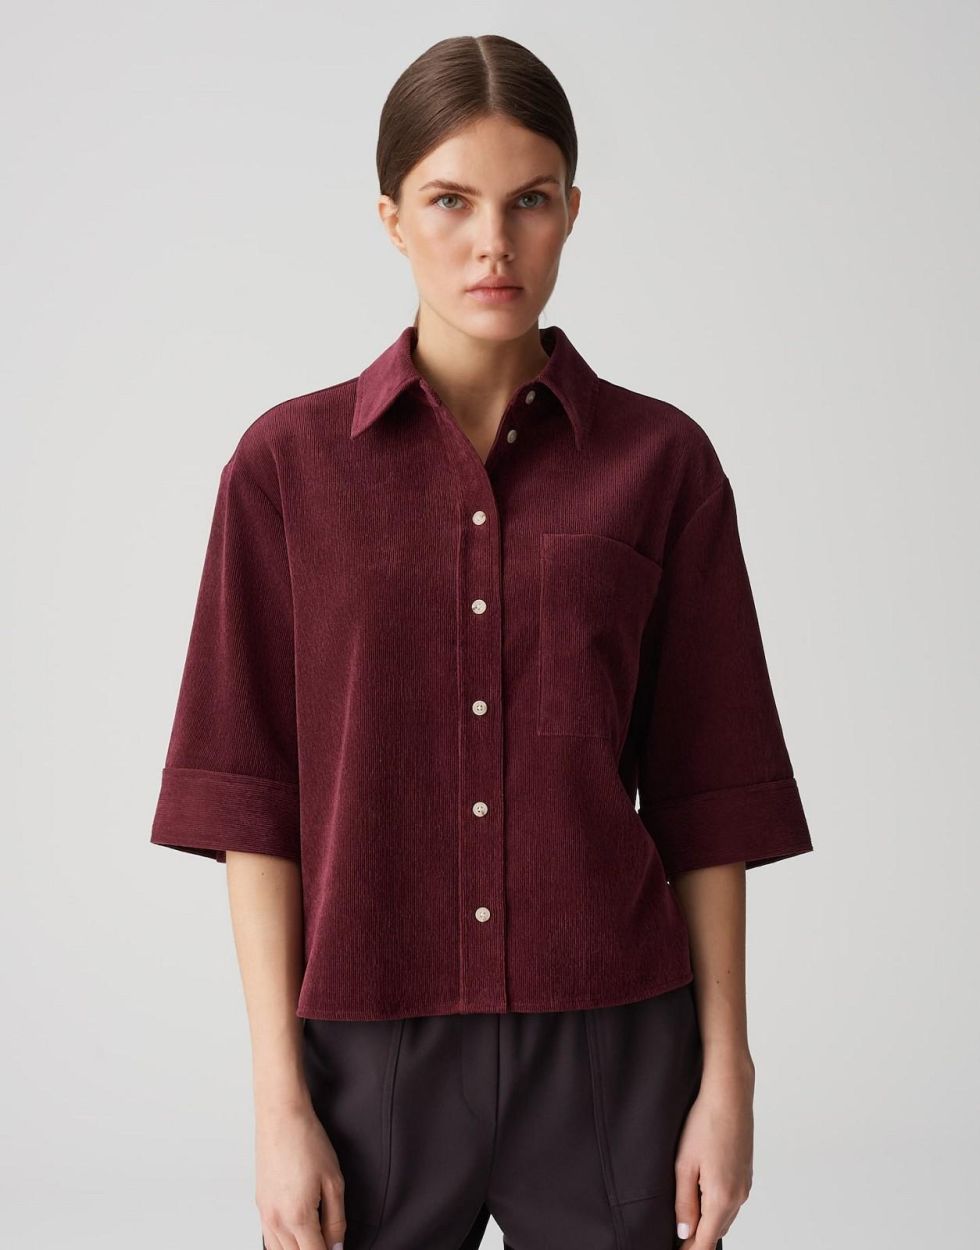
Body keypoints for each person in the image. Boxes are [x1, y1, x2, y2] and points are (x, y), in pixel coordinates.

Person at [150, 32, 814, 1250]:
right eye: (450, 201)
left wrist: (727, 1071)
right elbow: (251, 801)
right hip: (366, 1050)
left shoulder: (661, 464)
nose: (492, 243)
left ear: (572, 212)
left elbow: (707, 795)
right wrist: (277, 1102)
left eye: (529, 201)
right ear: (391, 218)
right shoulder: (285, 469)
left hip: (612, 1041)